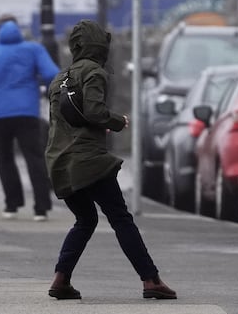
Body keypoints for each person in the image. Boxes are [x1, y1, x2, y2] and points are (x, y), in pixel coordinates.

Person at [45, 19, 176, 300]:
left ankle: (61, 278)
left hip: (60, 163)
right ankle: (150, 280)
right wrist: (117, 121)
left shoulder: (59, 78)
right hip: (88, 161)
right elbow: (94, 111)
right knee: (120, 218)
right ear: (99, 45)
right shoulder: (94, 72)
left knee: (85, 219)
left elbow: (61, 123)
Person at [0, 13, 59, 221]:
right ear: (18, 28)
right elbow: (52, 73)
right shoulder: (33, 49)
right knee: (34, 157)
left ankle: (12, 205)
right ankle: (41, 208)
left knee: (5, 158)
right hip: (26, 112)